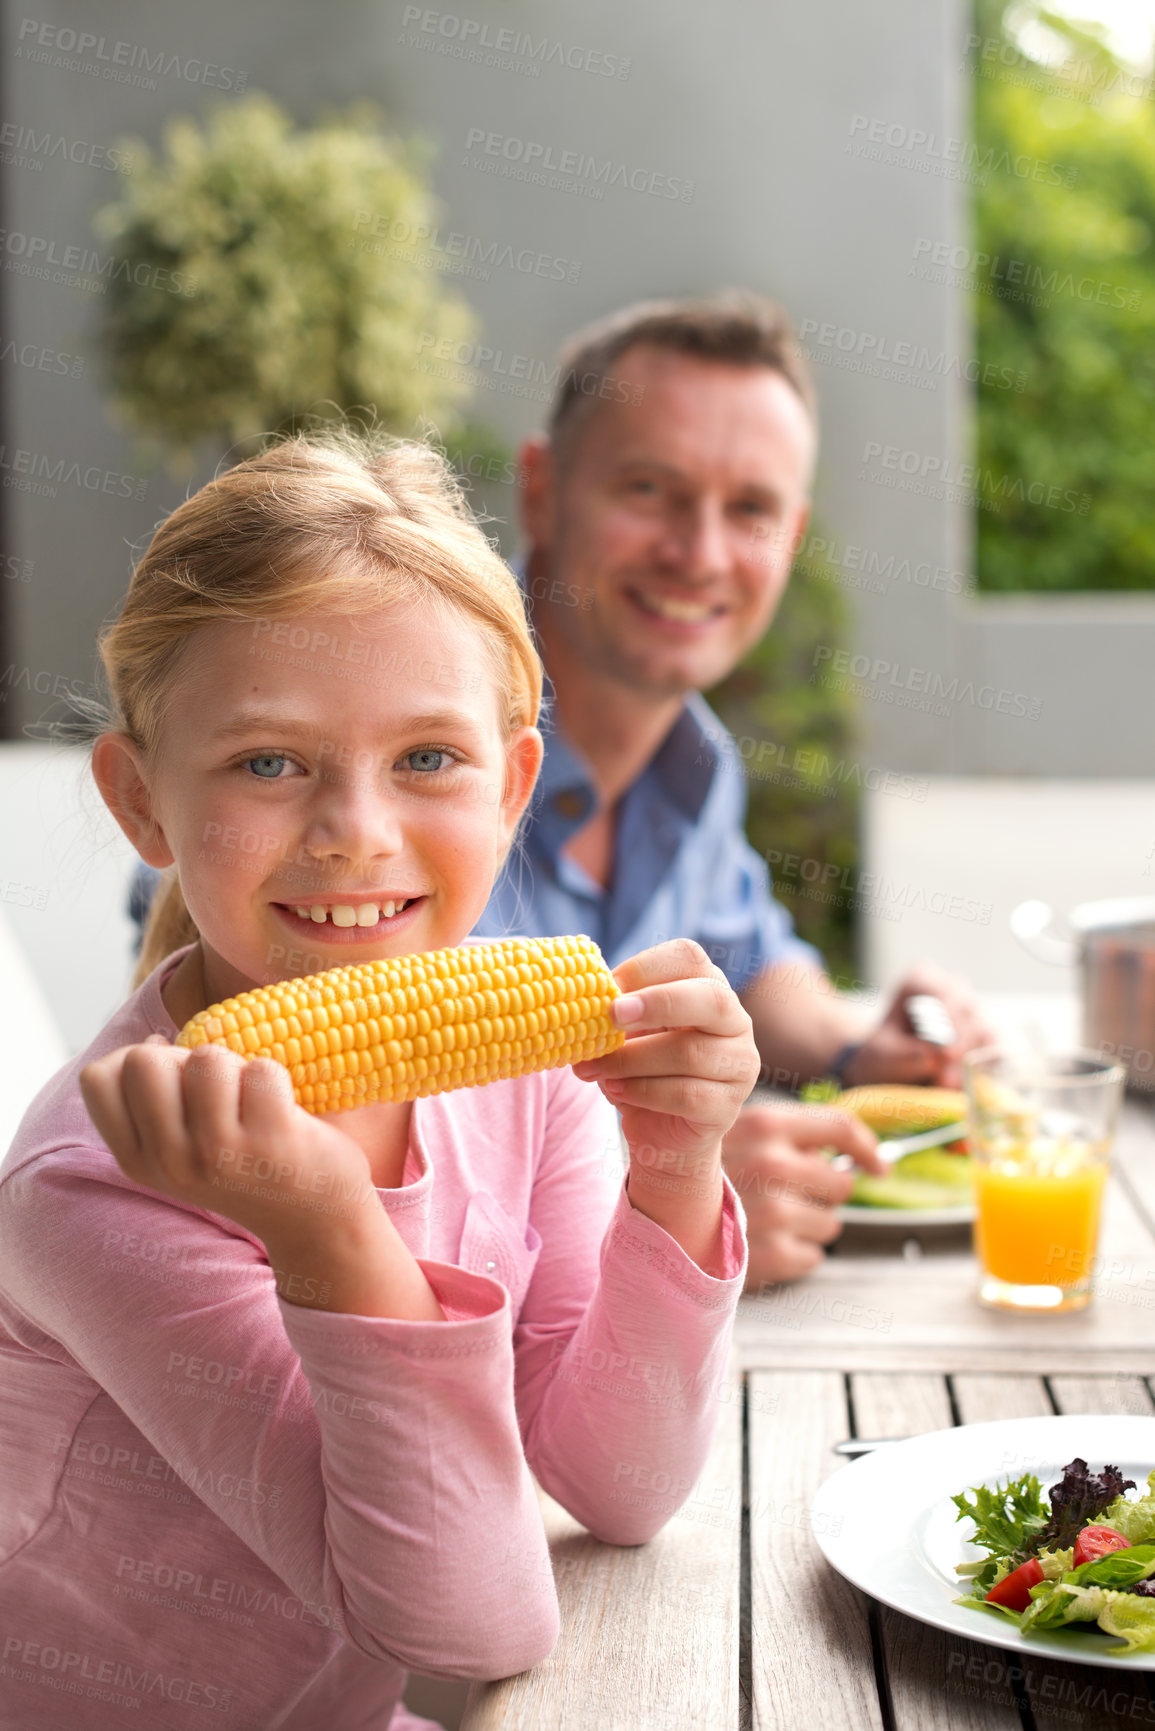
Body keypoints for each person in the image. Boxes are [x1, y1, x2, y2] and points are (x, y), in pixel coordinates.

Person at [0, 431, 756, 1730]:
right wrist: (328, 1226)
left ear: (515, 781)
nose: (356, 827)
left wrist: (677, 1162)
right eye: (266, 760)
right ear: (143, 802)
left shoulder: (526, 1080)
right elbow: (466, 1626)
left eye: (426, 758)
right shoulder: (102, 1182)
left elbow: (620, 1484)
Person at [469, 294, 993, 1285]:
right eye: (650, 489)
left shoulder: (690, 766)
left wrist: (862, 1042)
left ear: (789, 538)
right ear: (541, 489)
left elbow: (752, 960)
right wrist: (668, 1198)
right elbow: (314, 1139)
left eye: (749, 509)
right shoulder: (398, 732)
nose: (700, 554)